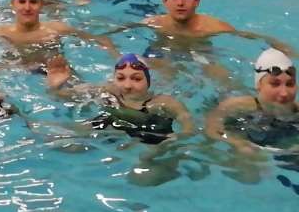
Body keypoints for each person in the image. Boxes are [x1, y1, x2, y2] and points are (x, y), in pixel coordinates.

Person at [136, 0, 295, 56]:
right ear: (164, 0)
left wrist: (280, 46)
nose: (180, 3)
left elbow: (250, 37)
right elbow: (123, 28)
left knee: (223, 80)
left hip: (201, 53)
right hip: (164, 52)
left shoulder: (212, 27)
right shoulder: (154, 23)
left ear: (197, 1)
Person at [204, 48, 299, 154]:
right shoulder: (236, 106)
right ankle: (206, 60)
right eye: (275, 84)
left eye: (290, 84)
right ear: (259, 85)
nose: (284, 93)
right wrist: (237, 143)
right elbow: (212, 129)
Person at [48, 52, 192, 144]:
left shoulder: (163, 103)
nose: (127, 85)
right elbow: (67, 96)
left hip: (151, 135)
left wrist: (177, 139)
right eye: (121, 78)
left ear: (148, 81)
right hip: (113, 126)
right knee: (60, 140)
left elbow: (188, 125)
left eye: (136, 79)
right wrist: (55, 87)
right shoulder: (108, 91)